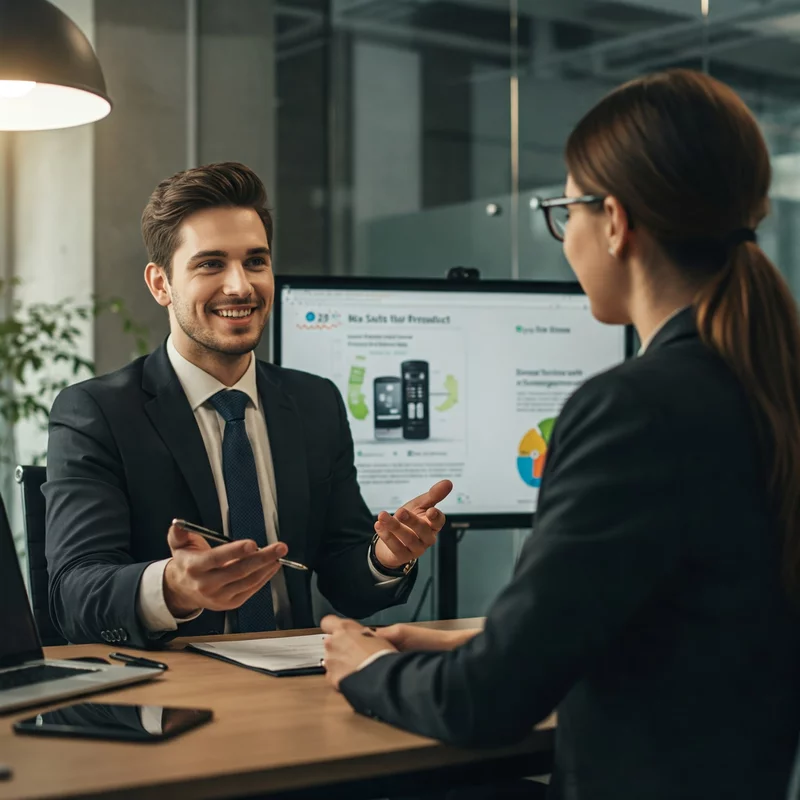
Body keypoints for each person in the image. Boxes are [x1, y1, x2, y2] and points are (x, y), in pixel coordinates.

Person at [319, 69, 800, 800]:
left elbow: (484, 703)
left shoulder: (636, 407)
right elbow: (692, 623)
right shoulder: (766, 382)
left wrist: (368, 669)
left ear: (613, 220)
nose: (564, 232)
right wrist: (483, 643)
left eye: (564, 208)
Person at [44, 162, 451, 648]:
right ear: (160, 284)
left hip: (297, 681)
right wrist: (173, 587)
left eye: (256, 261)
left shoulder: (314, 401)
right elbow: (73, 594)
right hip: (171, 689)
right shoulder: (96, 412)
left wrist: (384, 557)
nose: (240, 286)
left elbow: (346, 579)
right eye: (210, 264)